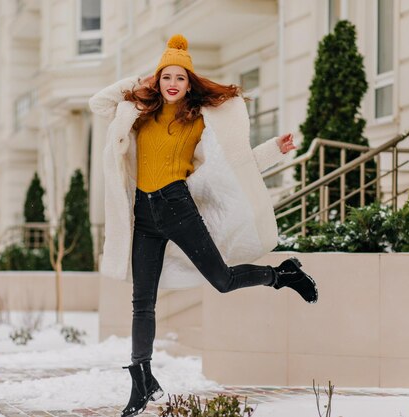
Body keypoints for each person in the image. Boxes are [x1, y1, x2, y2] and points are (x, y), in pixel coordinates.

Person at [89, 34, 318, 417]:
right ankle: (142, 380)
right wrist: (139, 81)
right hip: (143, 216)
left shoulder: (196, 121)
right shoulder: (139, 113)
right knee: (141, 303)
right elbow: (98, 103)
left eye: (180, 77)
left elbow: (233, 165)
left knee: (223, 280)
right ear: (158, 81)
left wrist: (273, 151)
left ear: (189, 82)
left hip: (177, 207)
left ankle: (281, 274)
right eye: (166, 77)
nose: (173, 84)